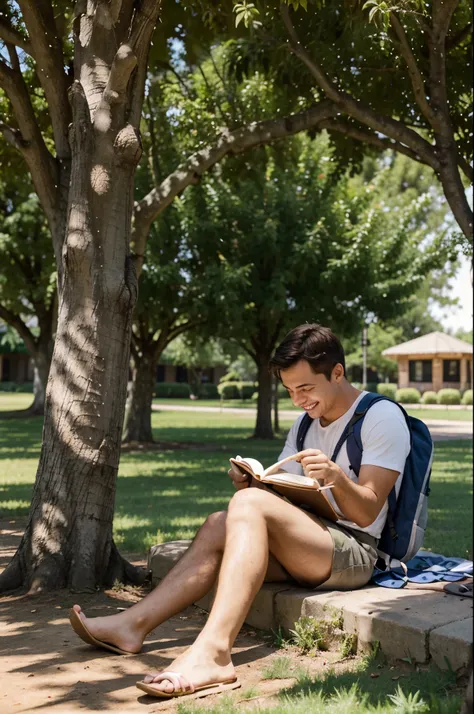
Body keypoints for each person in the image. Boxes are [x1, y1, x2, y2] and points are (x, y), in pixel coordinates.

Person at [69, 323, 410, 699]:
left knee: (246, 507)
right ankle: (132, 625)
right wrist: (257, 484)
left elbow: (367, 512)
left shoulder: (381, 417)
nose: (299, 400)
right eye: (290, 390)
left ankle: (214, 654)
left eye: (306, 388)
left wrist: (336, 478)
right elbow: (287, 495)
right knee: (221, 522)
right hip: (313, 539)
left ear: (338, 372)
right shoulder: (304, 423)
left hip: (357, 552)